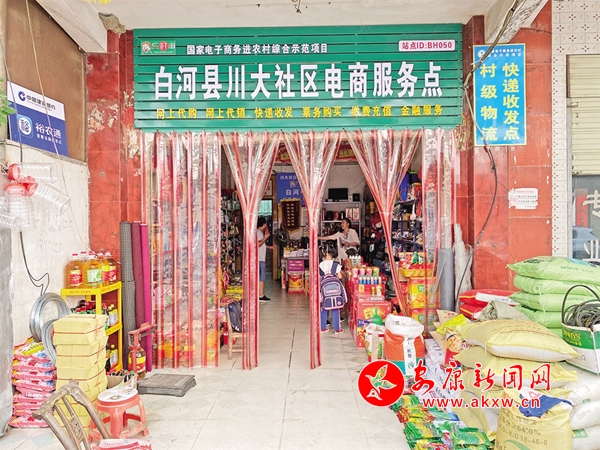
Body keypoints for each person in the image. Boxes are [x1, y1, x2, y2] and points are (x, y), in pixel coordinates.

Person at [319, 241, 344, 334]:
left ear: (323, 252)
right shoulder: (336, 264)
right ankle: (337, 329)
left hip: (324, 290)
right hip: (335, 291)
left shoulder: (321, 264)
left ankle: (323, 328)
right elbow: (340, 276)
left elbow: (319, 277)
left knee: (323, 308)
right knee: (335, 308)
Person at [257, 217, 271, 302]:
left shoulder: (259, 233)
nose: (266, 225)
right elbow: (258, 244)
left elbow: (261, 245)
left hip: (260, 258)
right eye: (265, 223)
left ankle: (260, 295)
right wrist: (266, 237)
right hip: (259, 258)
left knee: (261, 277)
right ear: (264, 224)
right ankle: (261, 296)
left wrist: (270, 247)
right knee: (261, 278)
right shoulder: (258, 233)